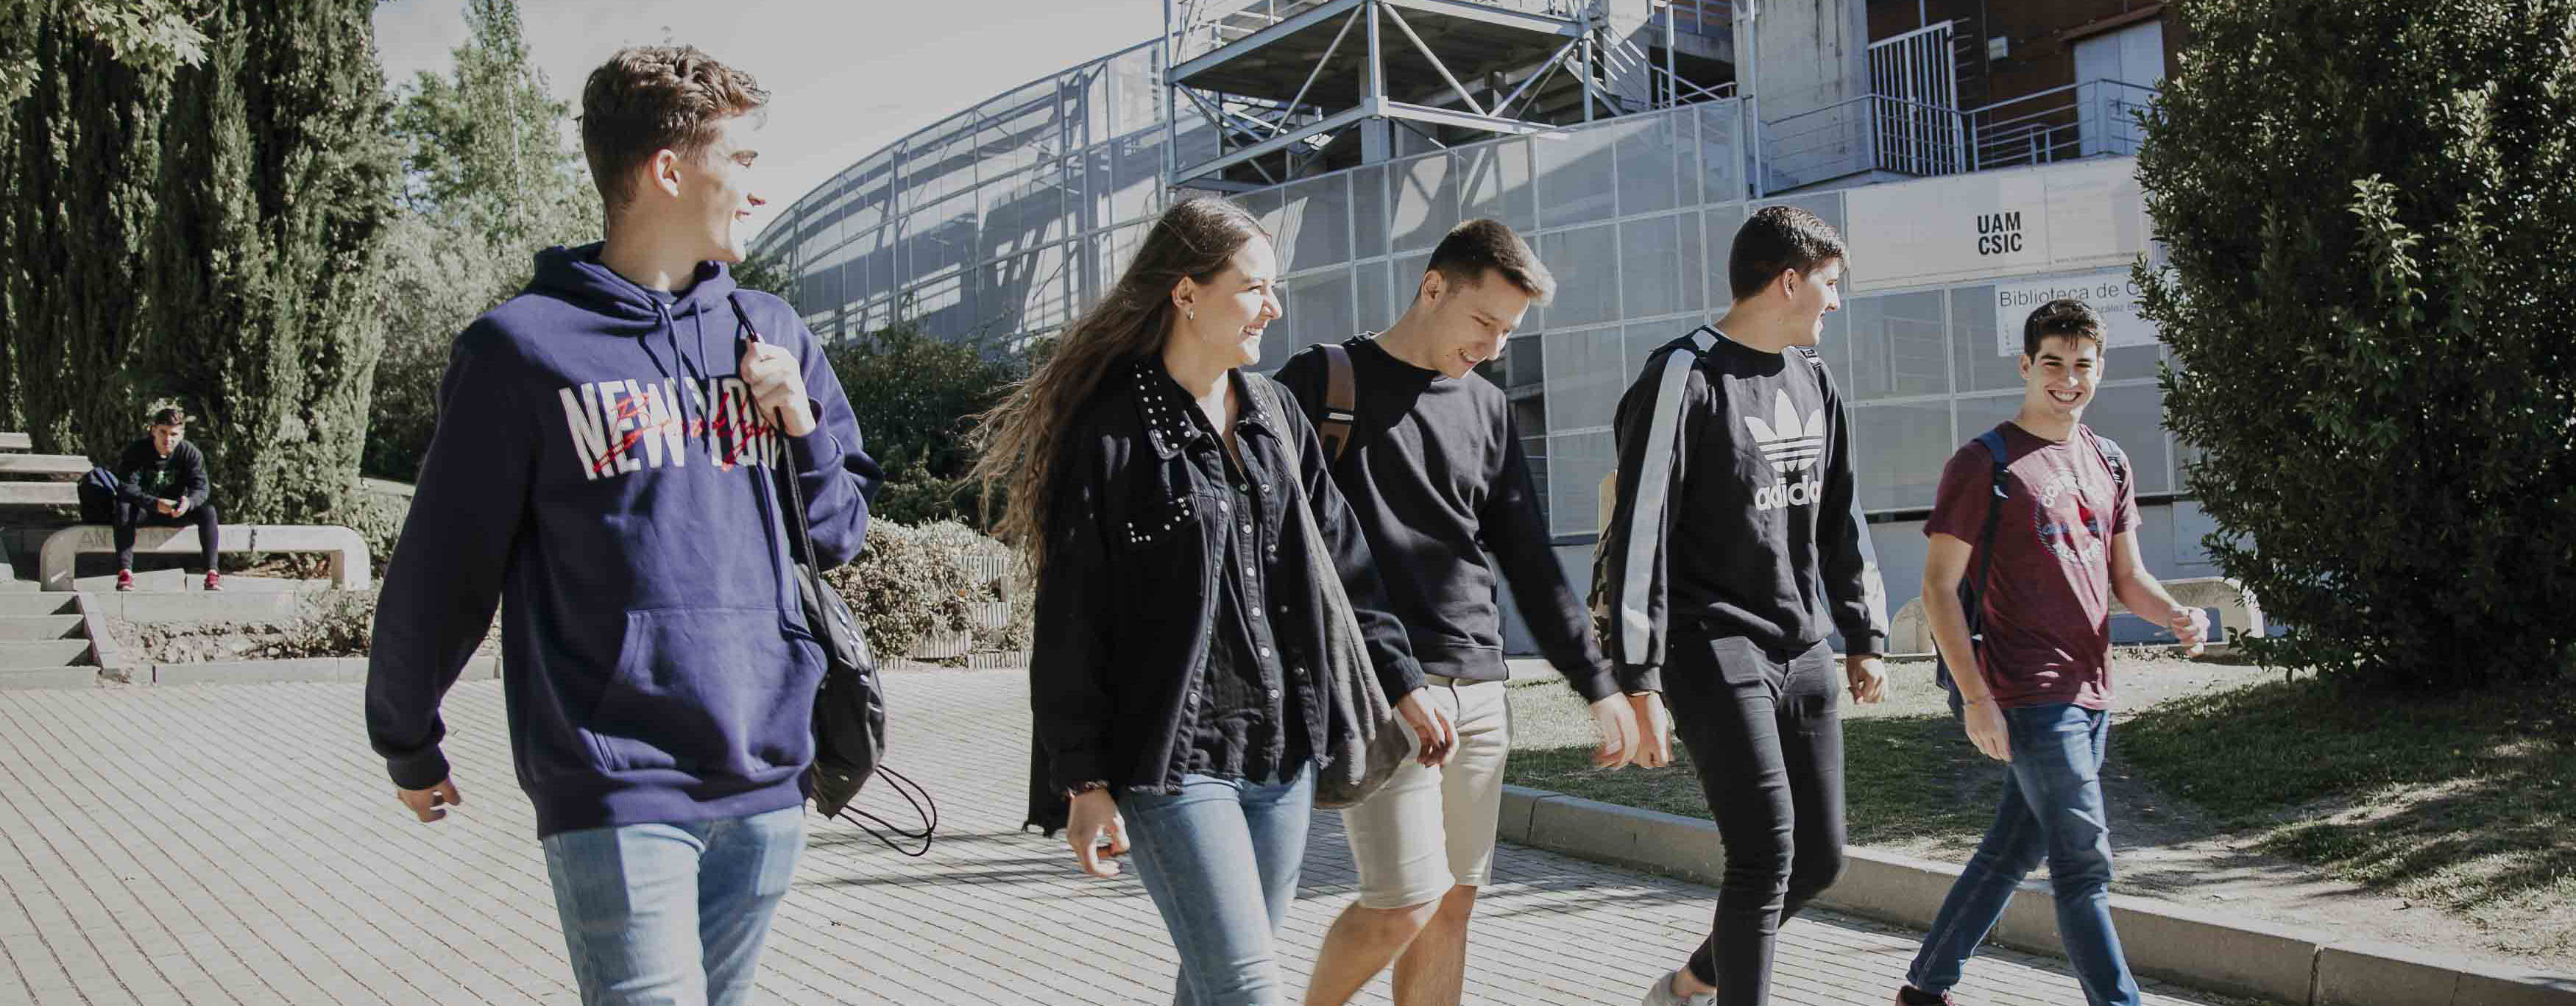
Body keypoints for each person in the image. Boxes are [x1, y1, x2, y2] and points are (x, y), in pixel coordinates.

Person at [364, 45, 880, 1006]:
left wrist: (800, 423)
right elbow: (445, 567)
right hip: (617, 782)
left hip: (769, 782)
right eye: (743, 161)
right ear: (670, 170)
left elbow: (840, 531)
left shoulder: (770, 334)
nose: (757, 192)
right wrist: (409, 737)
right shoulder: (522, 350)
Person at [974, 196, 1457, 1006]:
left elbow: (1344, 566)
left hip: (1280, 753)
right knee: (1247, 989)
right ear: (1186, 292)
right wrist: (1083, 782)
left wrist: (1401, 680)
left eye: (1273, 287)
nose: (1272, 306)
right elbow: (1071, 619)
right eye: (1252, 287)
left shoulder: (1276, 415)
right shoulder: (1112, 433)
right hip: (1172, 760)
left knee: (1214, 986)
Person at [1275, 219, 1644, 1006]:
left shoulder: (1486, 408)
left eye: (1508, 332)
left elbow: (1528, 557)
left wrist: (1598, 681)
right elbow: (1285, 537)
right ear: (1432, 286)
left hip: (1480, 688)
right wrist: (1390, 674)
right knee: (1400, 901)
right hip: (1380, 690)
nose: (1493, 346)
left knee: (1451, 902)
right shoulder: (1322, 381)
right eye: (1484, 322)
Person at [1593, 205, 1892, 1006]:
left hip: (1802, 649)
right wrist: (1637, 677)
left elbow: (1840, 512)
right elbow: (1639, 533)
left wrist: (1862, 632)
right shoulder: (1681, 376)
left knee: (1819, 857)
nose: (1835, 301)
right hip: (1709, 642)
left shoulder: (1813, 377)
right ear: (1787, 280)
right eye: (1829, 284)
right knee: (1762, 853)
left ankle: (1694, 978)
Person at [1894, 300, 2207, 1006]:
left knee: (2011, 849)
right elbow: (1939, 589)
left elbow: (2128, 579)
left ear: (2100, 368)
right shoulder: (1986, 463)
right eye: (2054, 364)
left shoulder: (2108, 459)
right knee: (2083, 864)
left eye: (2083, 365)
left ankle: (1924, 989)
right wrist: (1977, 697)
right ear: (2027, 366)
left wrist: (2176, 615)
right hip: (2027, 695)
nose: (2069, 379)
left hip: (2090, 689)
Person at [107, 407, 222, 592]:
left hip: (175, 511)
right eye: (163, 432)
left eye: (174, 434)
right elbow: (127, 489)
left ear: (182, 434)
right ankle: (125, 572)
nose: (168, 439)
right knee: (124, 507)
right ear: (154, 430)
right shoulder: (137, 451)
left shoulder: (191, 453)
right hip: (144, 510)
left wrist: (188, 503)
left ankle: (212, 573)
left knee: (208, 511)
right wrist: (155, 503)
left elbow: (202, 489)